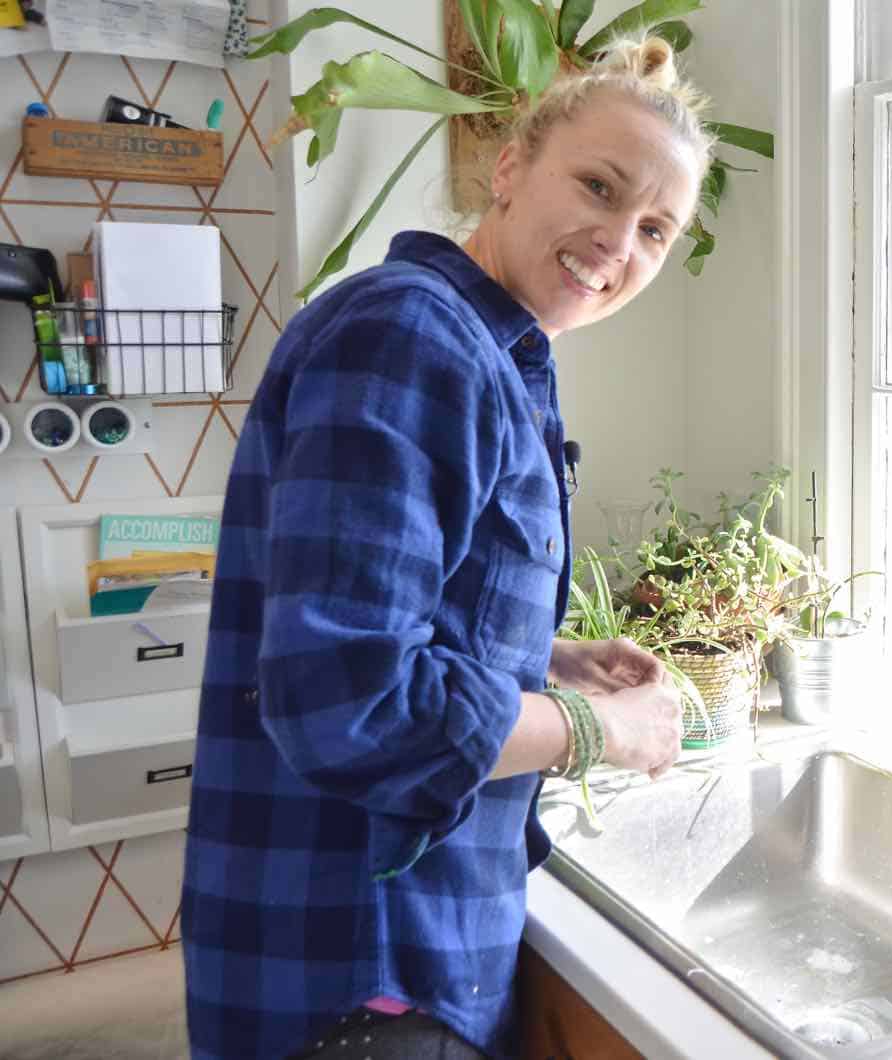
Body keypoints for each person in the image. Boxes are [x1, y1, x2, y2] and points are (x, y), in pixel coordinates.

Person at [180, 36, 710, 1060]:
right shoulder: (412, 339)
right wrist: (597, 728)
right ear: (509, 168)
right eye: (597, 187)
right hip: (360, 960)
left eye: (655, 228)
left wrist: (549, 660)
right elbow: (349, 700)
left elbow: (393, 594)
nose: (618, 242)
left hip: (395, 938)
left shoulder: (491, 349)